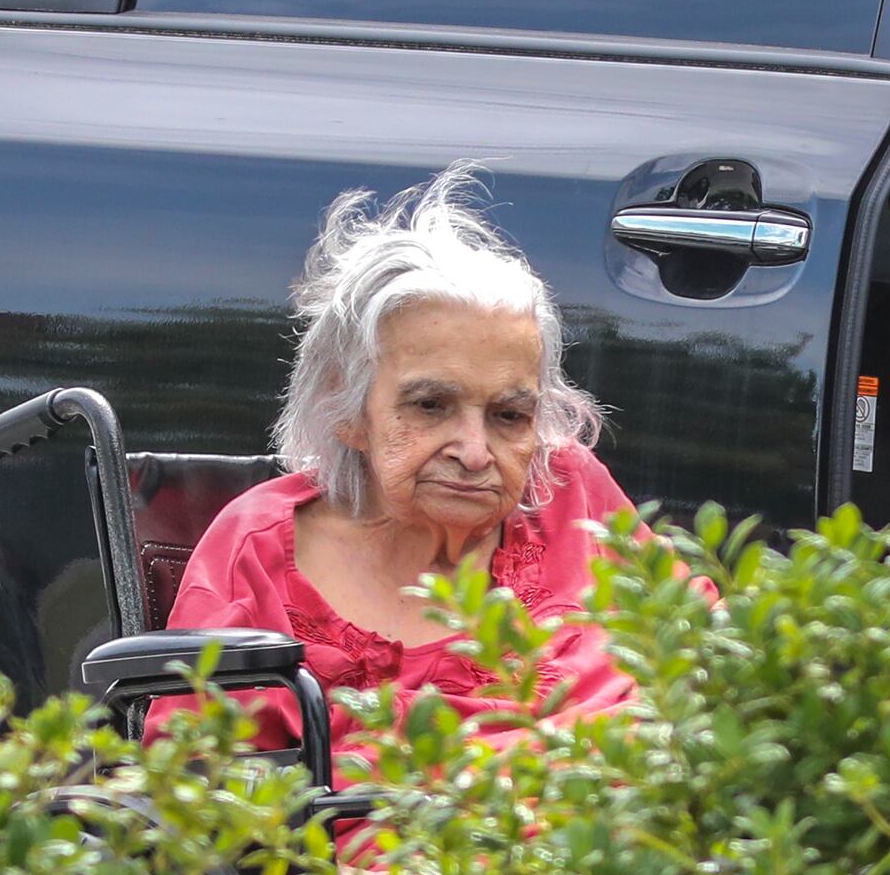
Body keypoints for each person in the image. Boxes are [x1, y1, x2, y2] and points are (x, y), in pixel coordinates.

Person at [160, 171, 658, 758]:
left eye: (509, 416)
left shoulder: (571, 494)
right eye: (430, 406)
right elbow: (199, 795)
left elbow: (712, 658)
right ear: (346, 409)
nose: (474, 453)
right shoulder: (260, 555)